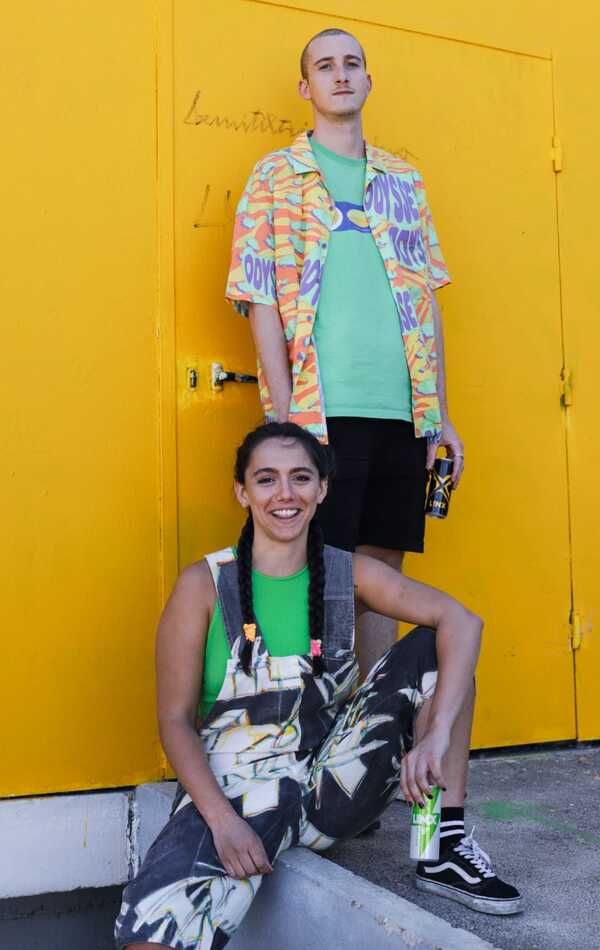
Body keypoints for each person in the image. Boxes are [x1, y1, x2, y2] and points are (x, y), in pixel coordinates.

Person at [114, 423, 521, 950]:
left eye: (301, 478)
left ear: (323, 488)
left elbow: (463, 622)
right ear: (242, 492)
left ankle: (440, 845)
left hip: (330, 781)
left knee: (436, 649)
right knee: (152, 935)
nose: (285, 494)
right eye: (266, 479)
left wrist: (436, 733)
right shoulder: (203, 585)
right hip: (237, 787)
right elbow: (174, 721)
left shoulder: (348, 573)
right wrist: (221, 821)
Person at [226, 28, 464, 679]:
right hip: (320, 411)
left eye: (351, 64)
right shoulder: (275, 177)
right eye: (325, 66)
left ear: (367, 80)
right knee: (323, 569)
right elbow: (259, 296)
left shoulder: (403, 181)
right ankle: (318, 716)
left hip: (401, 409)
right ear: (305, 86)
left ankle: (372, 720)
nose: (340, 75)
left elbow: (426, 300)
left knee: (385, 569)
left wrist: (439, 413)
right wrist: (284, 415)